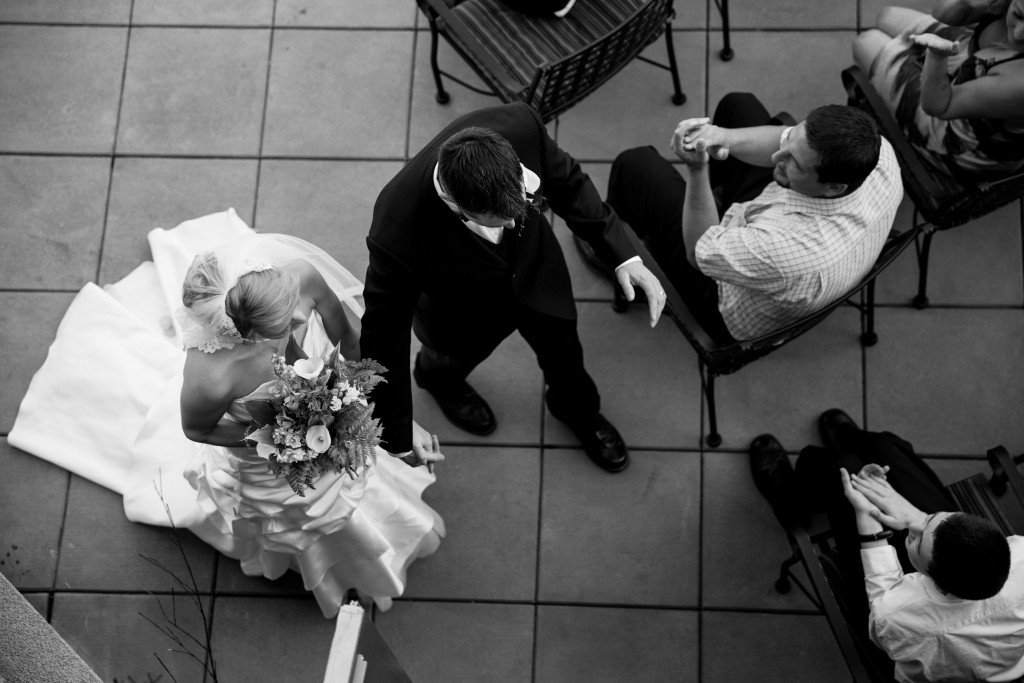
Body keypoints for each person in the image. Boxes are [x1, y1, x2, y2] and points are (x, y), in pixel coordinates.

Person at [9, 209, 445, 617]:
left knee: (359, 486)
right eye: (286, 324)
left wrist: (394, 417)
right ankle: (331, 572)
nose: (300, 315)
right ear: (246, 332)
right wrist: (275, 437)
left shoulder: (300, 279)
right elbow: (196, 429)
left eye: (294, 308)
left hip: (332, 420)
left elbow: (350, 340)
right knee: (303, 519)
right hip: (271, 461)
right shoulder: (210, 377)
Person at [361, 102, 666, 474]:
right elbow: (383, 337)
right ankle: (439, 381)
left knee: (566, 354)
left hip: (538, 273)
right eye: (500, 219)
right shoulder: (396, 231)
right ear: (458, 206)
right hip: (461, 311)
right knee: (447, 361)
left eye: (521, 205)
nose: (513, 223)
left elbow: (569, 183)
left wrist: (624, 258)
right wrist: (396, 432)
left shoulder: (520, 125)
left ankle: (579, 412)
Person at [595, 93, 902, 343]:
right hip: (775, 224)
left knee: (635, 165)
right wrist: (721, 138)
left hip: (726, 302)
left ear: (834, 186)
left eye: (793, 162)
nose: (776, 159)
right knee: (737, 105)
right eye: (791, 141)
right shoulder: (879, 152)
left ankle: (614, 257)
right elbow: (783, 143)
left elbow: (699, 250)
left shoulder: (784, 251)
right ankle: (724, 189)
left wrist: (698, 169)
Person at [749, 409, 1024, 682]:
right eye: (931, 520)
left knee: (839, 469)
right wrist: (914, 515)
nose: (912, 529)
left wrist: (867, 516)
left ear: (930, 579)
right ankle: (853, 440)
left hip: (894, 621)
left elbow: (882, 602)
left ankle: (791, 505)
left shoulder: (900, 618)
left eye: (915, 539)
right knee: (885, 446)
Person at [853, 0, 1024, 180]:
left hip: (961, 142)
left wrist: (936, 56)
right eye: (1019, 15)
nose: (1019, 33)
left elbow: (939, 107)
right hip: (964, 55)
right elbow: (942, 13)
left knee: (865, 41)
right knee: (886, 16)